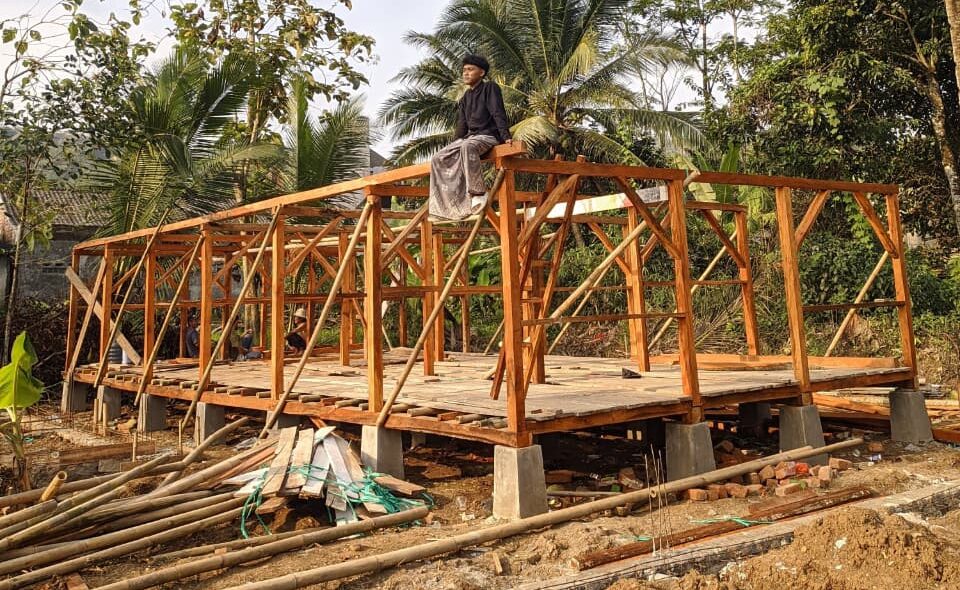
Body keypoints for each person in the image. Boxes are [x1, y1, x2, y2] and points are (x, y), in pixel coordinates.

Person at [429, 54, 512, 221]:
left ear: (481, 73)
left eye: (470, 69)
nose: (465, 73)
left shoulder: (490, 88)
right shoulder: (465, 97)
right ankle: (443, 208)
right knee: (438, 157)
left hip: (488, 135)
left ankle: (478, 194)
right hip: (470, 137)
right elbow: (462, 126)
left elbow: (497, 112)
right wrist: (452, 147)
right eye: (464, 70)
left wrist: (506, 136)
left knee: (467, 146)